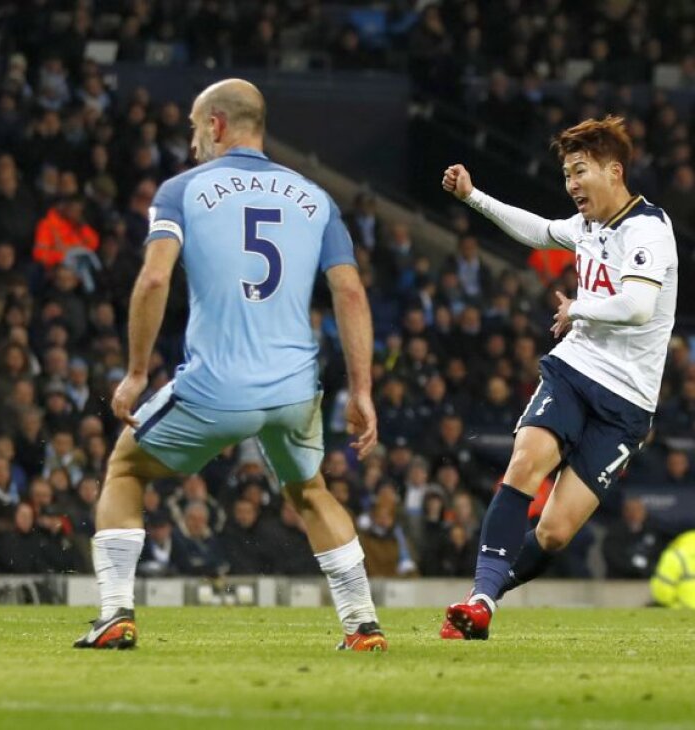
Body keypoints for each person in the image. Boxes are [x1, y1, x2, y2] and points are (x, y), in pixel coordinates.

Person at [74, 79, 385, 651]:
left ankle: (115, 612)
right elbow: (351, 295)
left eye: (196, 129)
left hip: (218, 385)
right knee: (311, 491)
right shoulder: (316, 198)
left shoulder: (181, 191)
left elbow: (154, 278)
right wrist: (361, 390)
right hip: (295, 389)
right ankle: (362, 623)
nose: (194, 143)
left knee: (124, 469)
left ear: (215, 125)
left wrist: (138, 373)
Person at [439, 115, 678, 640]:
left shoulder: (648, 231)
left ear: (614, 172)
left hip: (628, 402)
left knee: (554, 531)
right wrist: (474, 197)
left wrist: (579, 309)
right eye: (567, 174)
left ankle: (485, 598)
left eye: (580, 171)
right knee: (524, 463)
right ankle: (479, 602)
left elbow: (639, 306)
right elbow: (540, 229)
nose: (570, 185)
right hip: (576, 369)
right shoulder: (588, 227)